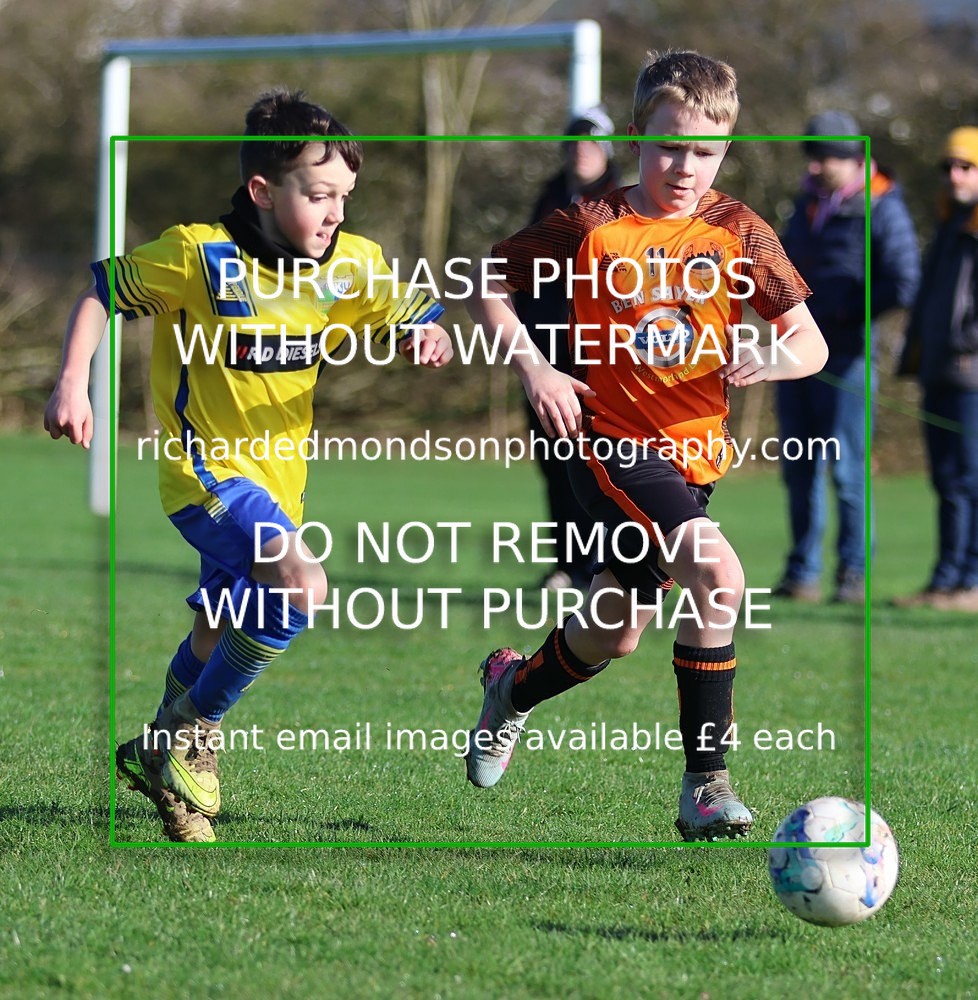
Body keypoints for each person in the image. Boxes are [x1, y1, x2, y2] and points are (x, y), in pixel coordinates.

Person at [43, 89, 453, 842]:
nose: (335, 213)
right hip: (204, 477)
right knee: (302, 584)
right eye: (319, 195)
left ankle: (158, 763)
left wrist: (424, 334)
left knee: (215, 632)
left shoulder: (349, 265)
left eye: (344, 198)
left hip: (279, 488)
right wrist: (74, 381)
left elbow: (410, 308)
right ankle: (192, 728)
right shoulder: (201, 254)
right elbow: (103, 291)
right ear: (265, 191)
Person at [462, 50, 828, 841]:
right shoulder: (593, 222)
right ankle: (706, 786)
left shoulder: (739, 230)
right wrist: (535, 367)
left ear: (727, 146)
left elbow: (810, 340)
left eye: (705, 151)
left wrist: (772, 355)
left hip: (693, 460)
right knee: (717, 569)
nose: (686, 167)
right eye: (669, 147)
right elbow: (489, 282)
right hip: (610, 440)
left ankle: (511, 690)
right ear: (637, 134)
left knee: (615, 630)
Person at [773, 110, 920, 604]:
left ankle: (852, 574)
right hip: (792, 357)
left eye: (823, 157)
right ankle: (801, 573)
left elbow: (902, 279)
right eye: (811, 157)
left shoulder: (882, 207)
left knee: (845, 470)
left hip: (847, 362)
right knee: (799, 467)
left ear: (852, 158)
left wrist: (845, 312)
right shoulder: (807, 204)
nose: (813, 166)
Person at [514, 107, 623, 591]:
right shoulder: (550, 197)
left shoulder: (624, 202)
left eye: (592, 144)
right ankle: (569, 564)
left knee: (597, 463)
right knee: (554, 461)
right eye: (573, 144)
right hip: (543, 352)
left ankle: (603, 566)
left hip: (597, 358)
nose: (581, 152)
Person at [895, 126, 978, 612]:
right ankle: (945, 581)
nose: (954, 175)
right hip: (939, 374)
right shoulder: (950, 225)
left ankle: (970, 581)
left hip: (971, 377)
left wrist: (965, 344)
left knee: (969, 480)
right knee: (946, 481)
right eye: (948, 166)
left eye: (966, 166)